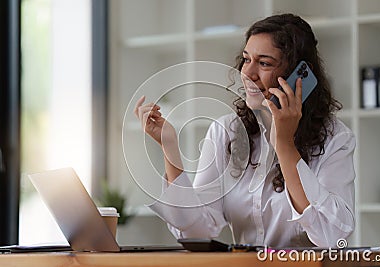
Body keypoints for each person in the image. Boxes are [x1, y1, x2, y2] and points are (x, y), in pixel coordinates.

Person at [134, 13, 355, 247]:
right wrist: (169, 147)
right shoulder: (225, 131)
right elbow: (196, 230)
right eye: (246, 59)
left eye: (264, 63)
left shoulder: (336, 139)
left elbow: (332, 236)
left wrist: (284, 144)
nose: (248, 74)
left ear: (299, 75)